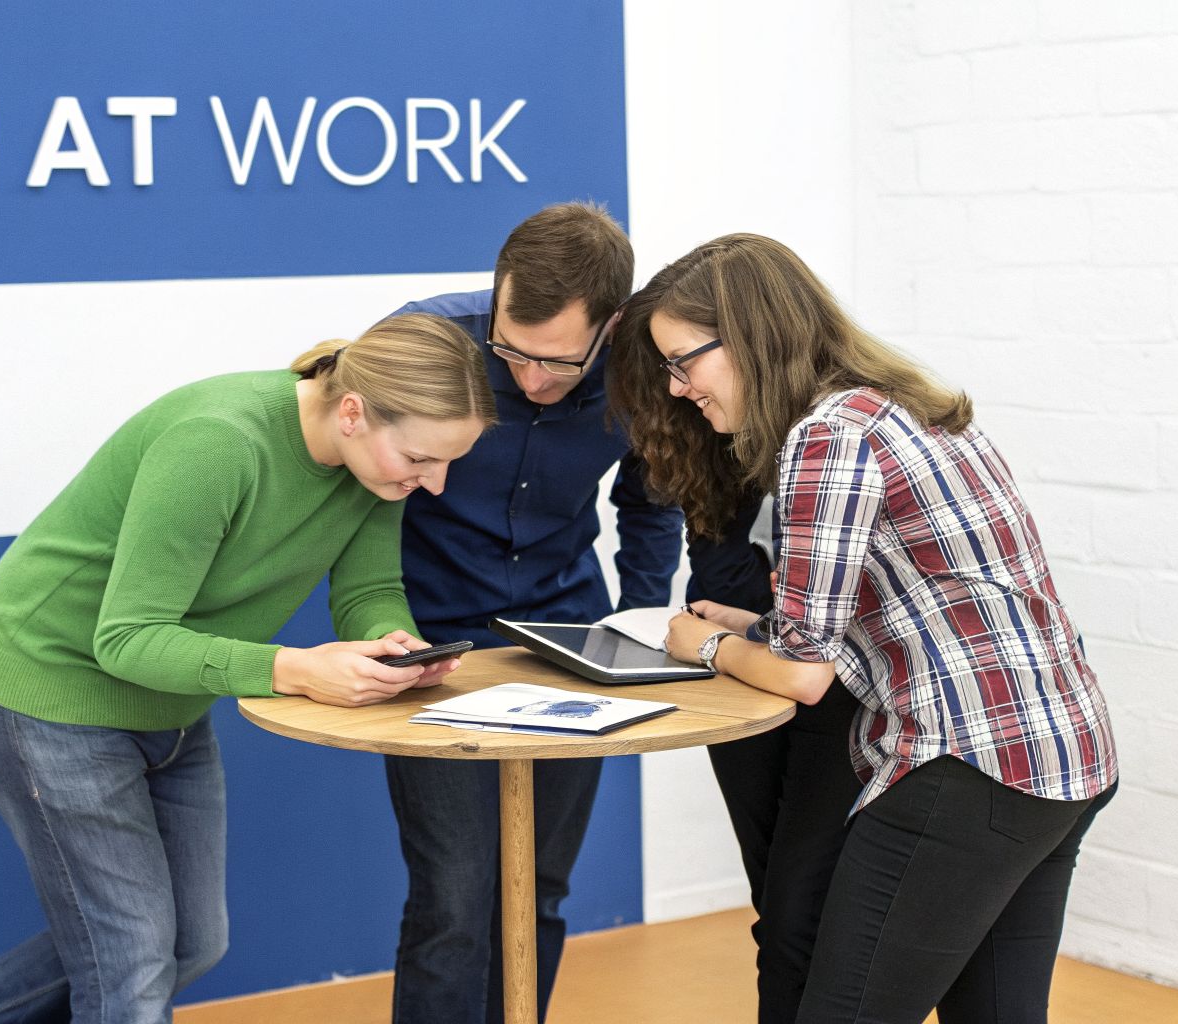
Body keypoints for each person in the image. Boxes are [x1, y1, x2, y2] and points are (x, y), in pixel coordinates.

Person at [0, 313, 496, 1024]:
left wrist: (392, 643)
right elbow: (127, 639)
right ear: (353, 413)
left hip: (167, 701)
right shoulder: (218, 443)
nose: (435, 484)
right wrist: (296, 669)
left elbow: (368, 589)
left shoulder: (376, 473)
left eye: (448, 463)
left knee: (188, 944)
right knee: (133, 964)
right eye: (421, 458)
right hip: (48, 694)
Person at [608, 233, 1118, 1023]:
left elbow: (803, 674)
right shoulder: (904, 405)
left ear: (748, 336)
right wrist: (756, 625)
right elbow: (918, 606)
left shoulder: (826, 437)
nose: (677, 388)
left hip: (967, 763)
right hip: (1062, 751)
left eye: (683, 363)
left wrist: (703, 643)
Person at [383, 202, 683, 1024]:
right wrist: (384, 634)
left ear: (611, 326)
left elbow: (652, 503)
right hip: (432, 643)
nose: (530, 380)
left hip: (566, 637)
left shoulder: (644, 369)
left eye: (556, 362)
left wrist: (636, 628)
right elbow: (361, 497)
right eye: (512, 351)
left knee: (539, 887)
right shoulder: (426, 342)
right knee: (452, 897)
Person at [678, 478, 863, 1023]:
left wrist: (714, 645)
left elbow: (808, 674)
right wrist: (747, 626)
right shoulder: (697, 443)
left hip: (835, 686)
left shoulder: (824, 448)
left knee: (798, 913)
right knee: (778, 907)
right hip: (748, 664)